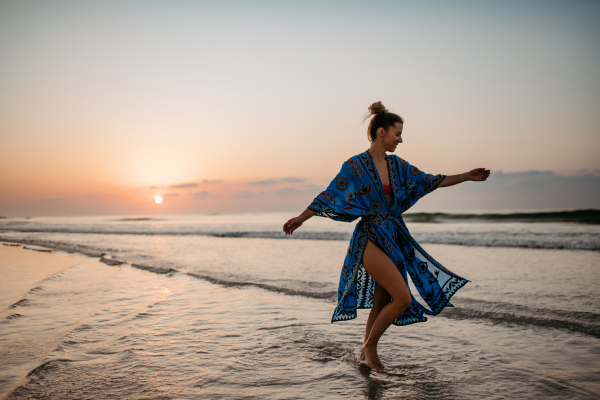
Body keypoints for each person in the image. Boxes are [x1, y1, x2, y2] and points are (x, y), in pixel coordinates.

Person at [282, 101, 490, 370]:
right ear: (381, 132)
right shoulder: (355, 166)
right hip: (369, 236)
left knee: (381, 301)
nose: (400, 140)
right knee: (402, 298)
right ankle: (369, 347)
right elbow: (330, 195)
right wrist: (301, 218)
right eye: (397, 133)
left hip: (394, 235)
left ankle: (364, 352)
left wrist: (466, 176)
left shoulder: (397, 166)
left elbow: (429, 181)